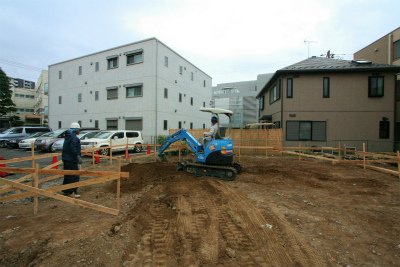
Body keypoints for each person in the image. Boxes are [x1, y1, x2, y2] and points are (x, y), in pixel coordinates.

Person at [61, 122, 82, 197]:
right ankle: (73, 191)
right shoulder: (74, 138)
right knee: (74, 176)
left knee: (67, 175)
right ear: (75, 130)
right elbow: (73, 148)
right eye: (79, 130)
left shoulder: (68, 137)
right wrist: (77, 156)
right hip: (72, 159)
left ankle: (66, 190)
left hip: (66, 159)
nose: (79, 131)